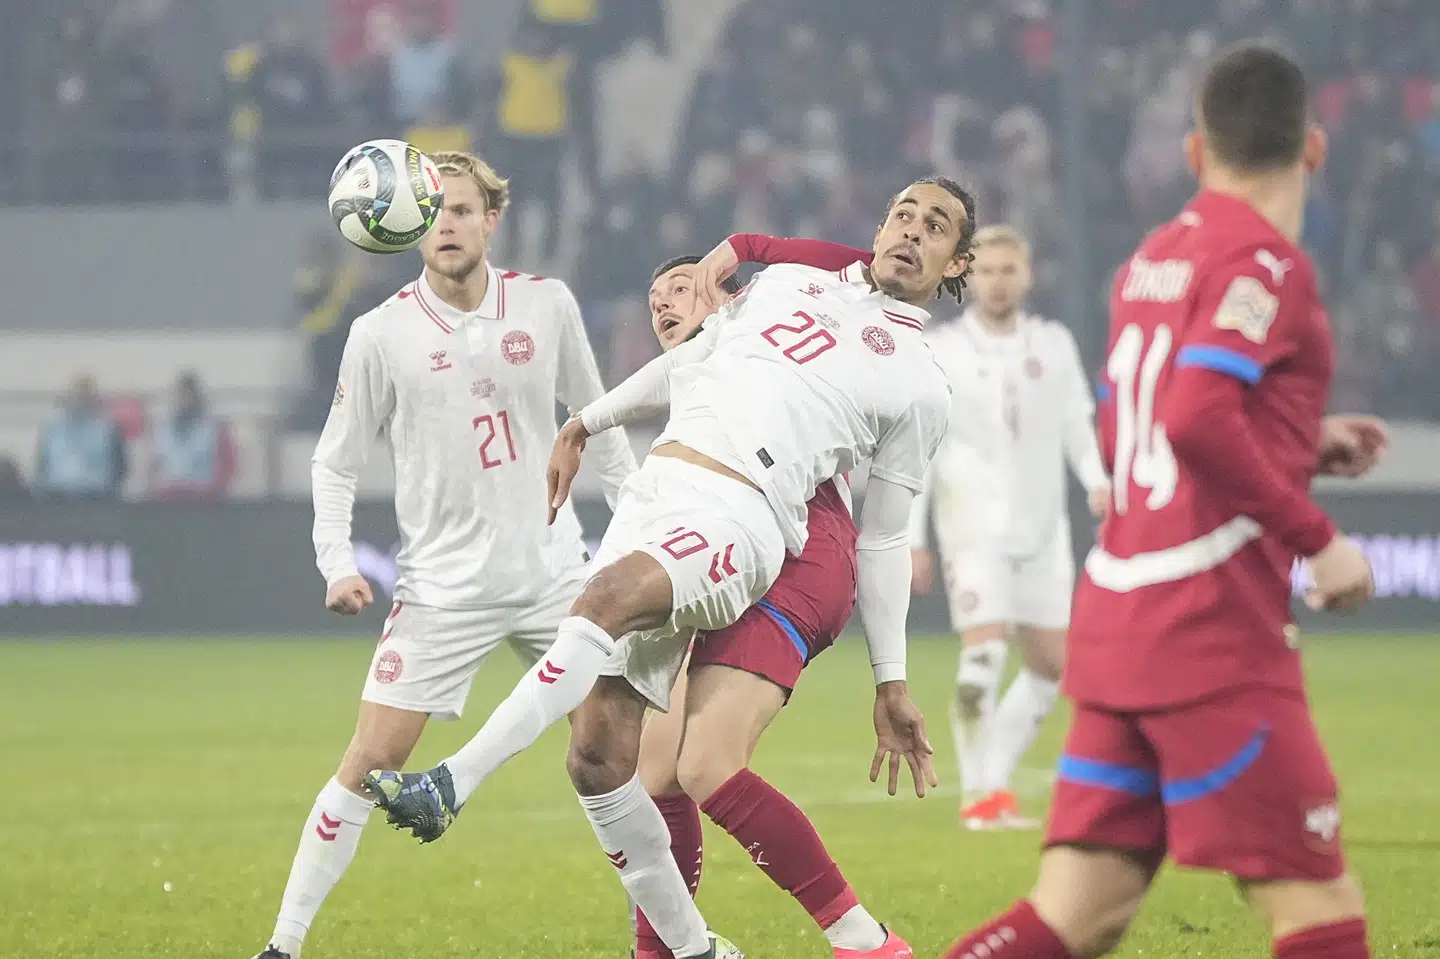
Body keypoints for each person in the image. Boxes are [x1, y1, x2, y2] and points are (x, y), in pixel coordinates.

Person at [368, 176, 975, 959]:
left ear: (954, 259)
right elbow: (697, 358)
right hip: (661, 491)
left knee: (626, 633)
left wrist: (890, 676)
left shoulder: (921, 380)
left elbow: (884, 537)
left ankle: (452, 781)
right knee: (601, 758)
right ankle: (696, 952)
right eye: (902, 214)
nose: (911, 231)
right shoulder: (791, 282)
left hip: (747, 511)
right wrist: (586, 420)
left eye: (934, 227)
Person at [938, 43, 1386, 959]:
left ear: (1193, 154)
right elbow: (1192, 416)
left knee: (1077, 911)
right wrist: (1318, 537)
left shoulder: (1149, 261)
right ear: (1315, 149)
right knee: (1320, 911)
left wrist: (1302, 442)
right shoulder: (1268, 266)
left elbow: (1129, 426)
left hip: (1119, 624)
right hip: (1210, 634)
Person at [250, 150, 637, 959]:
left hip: (556, 573)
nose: (448, 224)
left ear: (492, 219)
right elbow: (336, 460)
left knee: (615, 759)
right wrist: (336, 562)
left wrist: (638, 528)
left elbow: (594, 422)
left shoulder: (546, 304)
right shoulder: (379, 333)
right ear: (411, 223)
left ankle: (677, 940)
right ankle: (283, 946)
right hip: (440, 590)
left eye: (464, 209)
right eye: (436, 212)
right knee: (369, 762)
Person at [630, 237, 921, 959]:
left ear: (729, 291)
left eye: (678, 285)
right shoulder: (694, 383)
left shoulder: (762, 334)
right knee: (653, 771)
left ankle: (865, 940)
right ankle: (661, 949)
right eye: (653, 299)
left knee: (705, 764)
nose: (663, 301)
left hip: (798, 550)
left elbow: (865, 263)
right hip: (712, 557)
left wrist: (751, 247)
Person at [906, 225, 1109, 830]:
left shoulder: (1054, 343)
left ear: (1026, 275)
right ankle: (980, 796)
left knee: (1051, 671)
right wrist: (914, 538)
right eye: (986, 271)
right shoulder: (943, 349)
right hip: (973, 528)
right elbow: (923, 448)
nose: (996, 282)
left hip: (1044, 531)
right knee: (984, 655)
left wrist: (1097, 479)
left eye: (1007, 270)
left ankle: (991, 782)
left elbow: (1077, 420)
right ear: (969, 276)